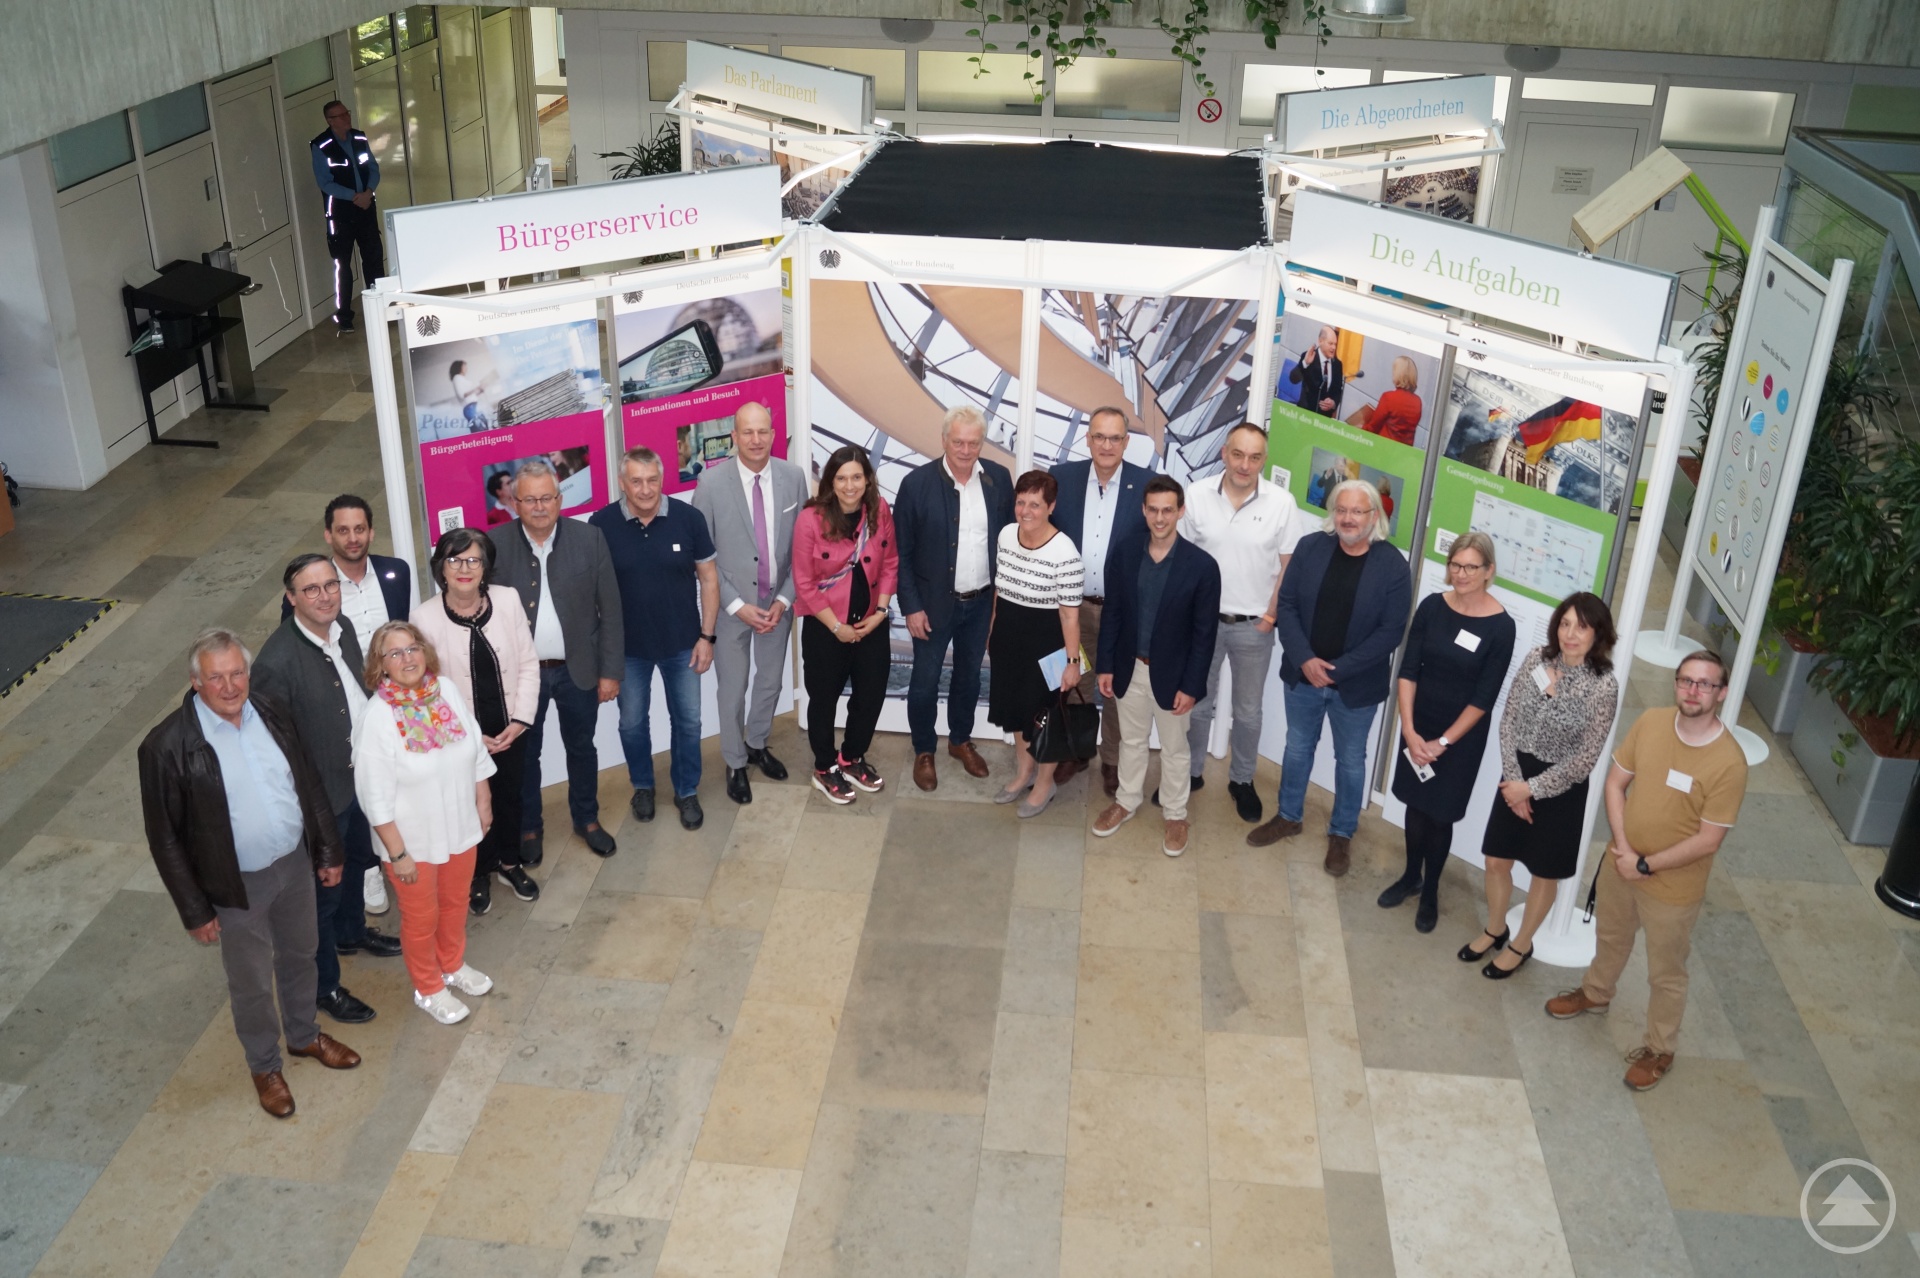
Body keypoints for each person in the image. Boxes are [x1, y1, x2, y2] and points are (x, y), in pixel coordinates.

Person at [138, 628, 362, 1118]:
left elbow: (307, 781)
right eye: (215, 677)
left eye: (237, 672)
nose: (229, 685)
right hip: (234, 885)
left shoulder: (272, 712)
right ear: (195, 682)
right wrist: (195, 909)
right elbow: (166, 840)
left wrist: (326, 849)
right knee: (252, 980)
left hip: (294, 864)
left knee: (302, 953)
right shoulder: (166, 747)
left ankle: (304, 1035)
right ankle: (264, 1065)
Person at [1546, 651, 1749, 1091]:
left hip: (1672, 888)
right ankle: (1596, 993)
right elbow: (1616, 783)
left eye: (1705, 684)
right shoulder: (1652, 722)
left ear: (1722, 693)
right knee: (1611, 936)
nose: (1693, 691)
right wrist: (1624, 850)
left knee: (1666, 971)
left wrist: (1645, 864)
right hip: (1622, 862)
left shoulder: (1729, 762)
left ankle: (1660, 1048)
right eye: (1685, 681)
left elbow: (1708, 839)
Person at [254, 555, 404, 1029]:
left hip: (361, 781)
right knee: (323, 895)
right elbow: (278, 751)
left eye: (330, 585)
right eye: (311, 589)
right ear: (291, 598)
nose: (324, 596)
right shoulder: (276, 663)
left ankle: (354, 933)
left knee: (362, 862)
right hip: (321, 801)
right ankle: (326, 988)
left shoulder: (343, 629)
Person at [1250, 479, 1412, 876]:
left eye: (1358, 511)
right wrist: (1305, 659)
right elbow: (1286, 606)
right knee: (1297, 748)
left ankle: (1342, 834)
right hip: (1303, 676)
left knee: (1351, 761)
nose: (1348, 518)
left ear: (1375, 517)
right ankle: (1289, 816)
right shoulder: (1311, 548)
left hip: (1355, 687)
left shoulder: (1393, 565)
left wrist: (1337, 670)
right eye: (1342, 510)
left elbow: (1391, 631)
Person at [354, 621, 498, 1025]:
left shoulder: (445, 691)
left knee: (454, 905)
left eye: (413, 648)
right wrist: (397, 853)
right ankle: (428, 987)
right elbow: (373, 795)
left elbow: (473, 746)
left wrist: (483, 799)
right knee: (420, 920)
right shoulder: (378, 718)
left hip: (459, 827)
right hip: (412, 844)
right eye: (394, 653)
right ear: (380, 666)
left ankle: (452, 965)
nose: (407, 658)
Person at [1470, 592, 1620, 978]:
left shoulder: (1603, 686)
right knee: (1496, 860)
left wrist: (1532, 790)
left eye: (1582, 627)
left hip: (1560, 790)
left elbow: (1586, 758)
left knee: (1543, 872)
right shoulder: (1537, 658)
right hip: (1516, 774)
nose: (1570, 634)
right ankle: (1496, 927)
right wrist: (1516, 782)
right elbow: (1509, 722)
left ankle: (1521, 945)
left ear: (1597, 634)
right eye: (1565, 623)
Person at [1375, 533, 1516, 933]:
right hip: (1418, 725)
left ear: (1489, 571)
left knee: (1440, 815)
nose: (1461, 574)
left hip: (1460, 738)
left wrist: (1443, 742)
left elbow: (1484, 697)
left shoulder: (1501, 627)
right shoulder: (1432, 606)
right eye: (1456, 565)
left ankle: (1431, 889)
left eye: (1471, 567)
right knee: (1415, 806)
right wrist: (1410, 729)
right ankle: (1410, 876)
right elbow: (1408, 669)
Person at [280, 494, 413, 919]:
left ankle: (388, 852)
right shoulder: (311, 590)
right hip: (343, 717)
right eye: (343, 530)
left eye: (360, 529)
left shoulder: (396, 573)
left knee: (389, 788)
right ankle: (369, 871)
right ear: (327, 534)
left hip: (391, 701)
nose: (353, 538)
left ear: (371, 532)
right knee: (351, 805)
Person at [491, 459, 624, 859]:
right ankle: (529, 828)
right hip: (522, 679)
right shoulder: (493, 545)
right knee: (526, 756)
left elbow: (612, 610)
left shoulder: (590, 539)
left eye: (546, 498)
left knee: (582, 749)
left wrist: (610, 672)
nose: (538, 507)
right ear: (514, 503)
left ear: (560, 499)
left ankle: (587, 819)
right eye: (528, 499)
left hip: (578, 672)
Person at [1175, 422, 1304, 823]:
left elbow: (1289, 567)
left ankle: (1242, 780)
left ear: (1264, 460)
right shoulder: (1195, 496)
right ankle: (1190, 773)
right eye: (1237, 454)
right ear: (1223, 453)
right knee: (1196, 705)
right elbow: (1179, 556)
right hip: (1202, 624)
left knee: (1248, 712)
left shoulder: (1282, 503)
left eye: (1254, 457)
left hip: (1254, 625)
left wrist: (1270, 616)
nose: (1244, 465)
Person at [590, 448, 720, 830]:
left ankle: (686, 790)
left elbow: (709, 579)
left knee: (689, 722)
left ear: (662, 479)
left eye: (652, 480)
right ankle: (643, 786)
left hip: (684, 644)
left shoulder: (689, 519)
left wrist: (707, 636)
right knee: (631, 724)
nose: (645, 489)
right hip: (627, 651)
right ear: (622, 483)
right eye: (636, 481)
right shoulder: (600, 525)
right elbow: (592, 593)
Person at [412, 528, 541, 915]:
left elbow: (529, 663)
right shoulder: (423, 617)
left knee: (510, 796)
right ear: (441, 568)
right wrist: (469, 738)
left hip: (509, 728)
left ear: (486, 567)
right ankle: (478, 873)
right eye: (454, 560)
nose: (464, 568)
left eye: (473, 560)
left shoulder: (507, 600)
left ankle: (509, 863)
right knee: (468, 805)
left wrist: (520, 721)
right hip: (460, 738)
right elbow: (426, 690)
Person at [1091, 477, 1221, 858]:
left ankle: (1176, 814)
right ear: (1144, 511)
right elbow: (1113, 612)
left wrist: (1192, 686)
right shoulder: (1127, 551)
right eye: (1153, 510)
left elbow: (1203, 637)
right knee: (1131, 741)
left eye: (1168, 510)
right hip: (1129, 669)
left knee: (1175, 749)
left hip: (1174, 678)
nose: (1160, 518)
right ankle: (1126, 801)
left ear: (1180, 512)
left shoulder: (1202, 567)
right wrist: (1105, 665)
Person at [895, 404, 1015, 792]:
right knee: (925, 681)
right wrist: (911, 606)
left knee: (968, 678)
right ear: (944, 440)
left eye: (974, 442)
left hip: (981, 602)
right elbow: (902, 555)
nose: (966, 450)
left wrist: (1001, 601)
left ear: (983, 443)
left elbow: (1009, 542)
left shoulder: (998, 479)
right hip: (931, 606)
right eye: (958, 441)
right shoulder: (916, 484)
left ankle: (960, 740)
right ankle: (924, 750)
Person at [692, 402, 807, 805]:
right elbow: (701, 557)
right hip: (730, 608)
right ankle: (735, 762)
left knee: (771, 681)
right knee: (732, 689)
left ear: (774, 434)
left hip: (777, 604)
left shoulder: (794, 478)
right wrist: (737, 605)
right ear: (735, 437)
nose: (756, 440)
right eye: (748, 432)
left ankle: (757, 743)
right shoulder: (710, 484)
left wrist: (784, 598)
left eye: (763, 431)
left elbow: (802, 549)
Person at [1048, 406, 1149, 796]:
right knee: (1072, 681)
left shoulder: (1147, 484)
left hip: (1123, 612)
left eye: (1115, 438)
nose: (1107, 445)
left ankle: (1111, 760)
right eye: (1099, 437)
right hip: (1070, 608)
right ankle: (1075, 751)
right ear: (1087, 439)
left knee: (1118, 688)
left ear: (1126, 441)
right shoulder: (1062, 479)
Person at [792, 445, 898, 803]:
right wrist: (837, 627)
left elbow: (890, 563)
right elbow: (804, 583)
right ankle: (824, 768)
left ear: (867, 478)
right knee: (823, 700)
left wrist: (880, 614)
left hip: (871, 623)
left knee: (870, 696)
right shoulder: (811, 519)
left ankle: (851, 757)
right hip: (826, 627)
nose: (850, 485)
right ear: (830, 482)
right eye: (841, 478)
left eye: (857, 477)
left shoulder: (879, 510)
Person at [988, 470, 1086, 818]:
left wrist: (1072, 663)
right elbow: (1000, 590)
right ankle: (1023, 773)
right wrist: (992, 632)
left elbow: (1070, 616)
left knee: (1046, 718)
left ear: (1051, 507)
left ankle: (1045, 783)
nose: (1026, 511)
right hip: (1008, 637)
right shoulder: (1005, 536)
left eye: (1035, 504)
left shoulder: (1065, 552)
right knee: (1016, 713)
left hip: (1048, 644)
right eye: (1020, 502)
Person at [310, 100, 384, 335]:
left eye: (347, 112)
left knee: (373, 259)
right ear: (330, 121)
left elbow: (373, 167)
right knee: (343, 265)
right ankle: (344, 316)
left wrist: (369, 192)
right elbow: (325, 183)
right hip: (341, 214)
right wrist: (354, 197)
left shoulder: (359, 138)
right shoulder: (321, 146)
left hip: (366, 208)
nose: (347, 117)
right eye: (341, 115)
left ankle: (379, 307)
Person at [1363, 356, 1424, 445]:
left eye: (1394, 370)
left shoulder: (1389, 397)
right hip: (1403, 454)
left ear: (1398, 373)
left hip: (1383, 450)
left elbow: (1373, 427)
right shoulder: (1418, 402)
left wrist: (1357, 431)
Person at [1289, 325, 1344, 418]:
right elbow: (1293, 379)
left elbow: (1338, 390)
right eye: (1330, 343)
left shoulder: (1337, 365)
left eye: (1335, 344)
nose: (1334, 347)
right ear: (1320, 341)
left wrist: (1333, 403)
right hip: (1305, 415)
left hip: (1324, 420)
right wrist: (1305, 363)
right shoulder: (1308, 356)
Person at [450, 361, 488, 432]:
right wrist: (477, 388)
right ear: (459, 368)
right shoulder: (457, 378)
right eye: (464, 366)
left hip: (472, 407)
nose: (466, 368)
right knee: (480, 430)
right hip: (470, 408)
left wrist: (480, 391)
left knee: (483, 428)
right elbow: (462, 395)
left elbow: (471, 396)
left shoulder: (461, 378)